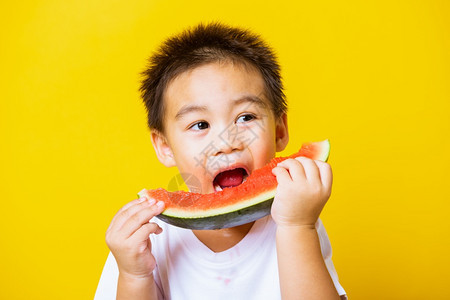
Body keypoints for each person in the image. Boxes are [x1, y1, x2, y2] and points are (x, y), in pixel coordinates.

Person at [95, 22, 347, 300]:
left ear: (279, 131)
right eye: (200, 124)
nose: (227, 143)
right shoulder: (147, 239)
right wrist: (134, 275)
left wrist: (298, 227)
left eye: (246, 117)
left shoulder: (295, 217)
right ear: (165, 146)